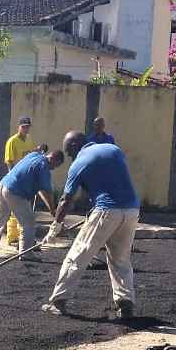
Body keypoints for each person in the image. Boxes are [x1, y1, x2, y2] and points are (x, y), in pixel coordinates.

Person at [41, 131, 139, 318]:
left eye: (69, 153)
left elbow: (65, 199)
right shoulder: (113, 149)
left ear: (75, 146)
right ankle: (126, 305)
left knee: (78, 255)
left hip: (106, 210)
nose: (70, 158)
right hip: (132, 210)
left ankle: (58, 302)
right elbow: (110, 179)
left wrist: (55, 226)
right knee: (121, 259)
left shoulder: (78, 164)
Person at [0, 149, 64, 260]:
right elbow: (47, 192)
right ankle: (26, 253)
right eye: (57, 165)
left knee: (0, 219)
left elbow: (41, 190)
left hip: (2, 185)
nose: (55, 168)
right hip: (14, 192)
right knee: (28, 222)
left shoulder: (34, 155)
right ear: (53, 159)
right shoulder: (43, 167)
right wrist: (52, 208)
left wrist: (51, 209)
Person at [4, 116, 36, 246]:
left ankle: (21, 237)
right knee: (15, 209)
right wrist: (13, 177)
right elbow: (9, 161)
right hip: (16, 179)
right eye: (23, 127)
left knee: (23, 208)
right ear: (19, 127)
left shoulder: (29, 140)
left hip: (26, 178)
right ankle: (12, 237)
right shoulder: (12, 141)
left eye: (27, 126)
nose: (26, 129)